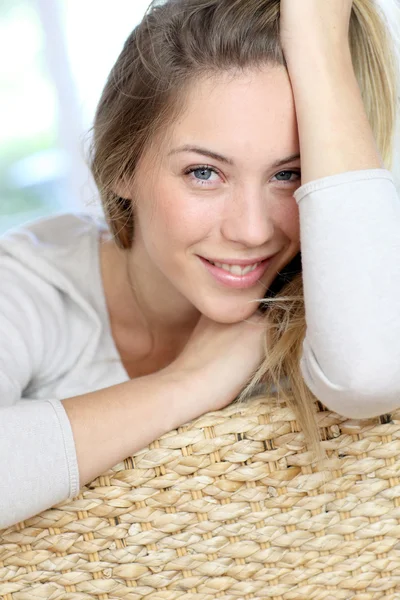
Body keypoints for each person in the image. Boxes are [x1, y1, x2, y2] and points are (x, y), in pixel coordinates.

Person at [0, 0, 399, 530]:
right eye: (204, 172)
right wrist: (187, 383)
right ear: (122, 165)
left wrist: (320, 44)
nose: (252, 230)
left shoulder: (352, 295)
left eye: (288, 175)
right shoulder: (32, 285)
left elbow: (370, 375)